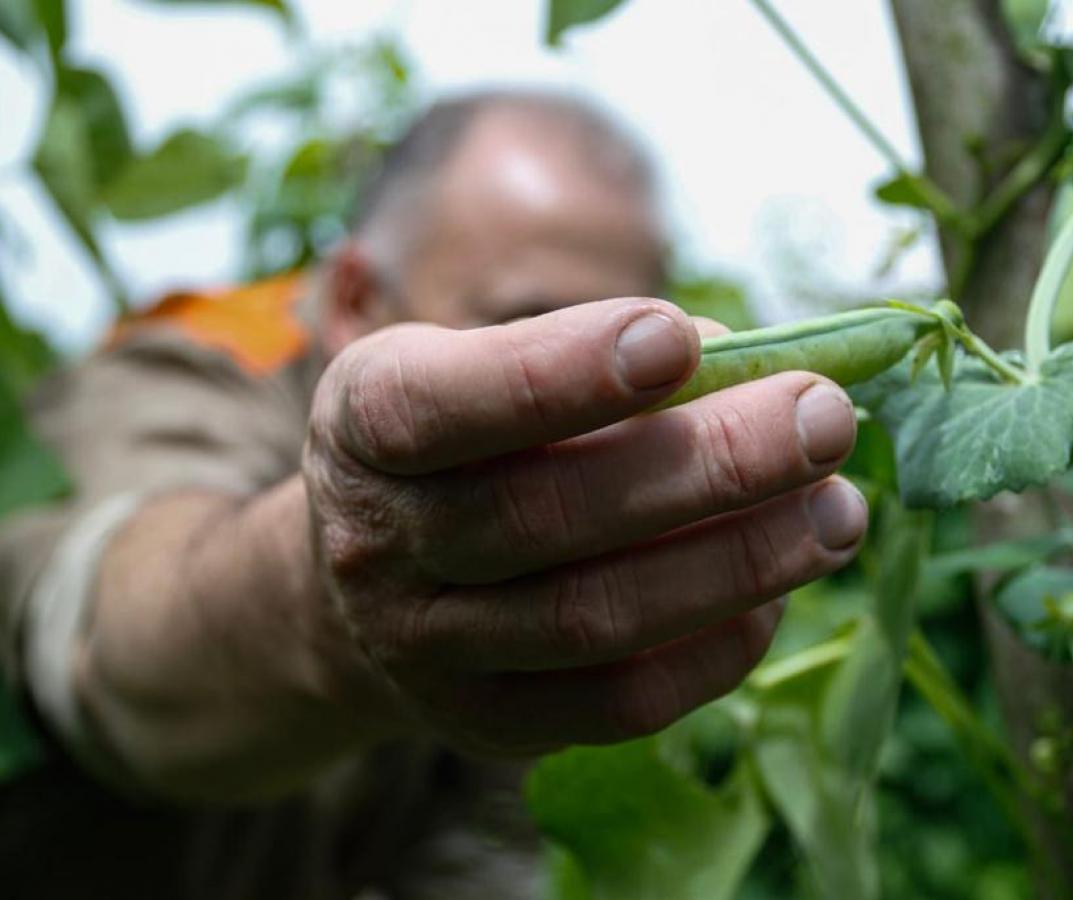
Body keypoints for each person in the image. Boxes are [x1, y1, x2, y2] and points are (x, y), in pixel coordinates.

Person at [0, 89, 866, 898]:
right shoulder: (197, 364)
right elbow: (107, 633)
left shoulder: (545, 553)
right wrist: (322, 602)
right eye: (524, 320)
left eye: (634, 341)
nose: (589, 408)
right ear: (356, 300)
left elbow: (482, 853)